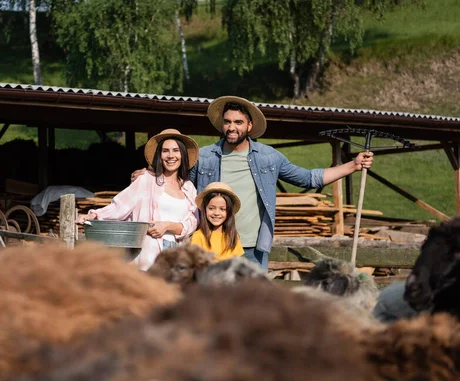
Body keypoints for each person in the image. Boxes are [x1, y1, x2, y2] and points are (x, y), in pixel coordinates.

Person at [132, 96, 373, 269]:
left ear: (249, 126)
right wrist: (149, 175)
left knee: (252, 307)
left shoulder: (269, 157)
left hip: (252, 247)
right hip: (212, 243)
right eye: (227, 122)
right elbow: (178, 182)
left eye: (238, 122)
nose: (232, 127)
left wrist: (353, 165)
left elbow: (308, 178)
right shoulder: (205, 156)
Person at [77, 129, 199, 271]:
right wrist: (94, 215)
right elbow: (120, 205)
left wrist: (167, 226)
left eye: (176, 150)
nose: (171, 156)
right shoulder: (146, 180)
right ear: (159, 155)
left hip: (176, 254)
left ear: (182, 154)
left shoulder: (189, 187)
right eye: (165, 151)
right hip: (148, 252)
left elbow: (193, 221)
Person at [191, 182, 244, 261]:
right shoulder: (198, 237)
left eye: (222, 209)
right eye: (211, 208)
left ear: (229, 211)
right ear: (205, 209)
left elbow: (237, 265)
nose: (216, 213)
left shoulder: (233, 236)